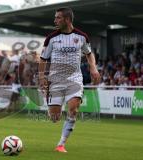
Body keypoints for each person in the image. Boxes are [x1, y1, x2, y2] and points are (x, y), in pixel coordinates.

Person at [38, 7, 100, 153]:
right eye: (55, 18)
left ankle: (61, 144)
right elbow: (43, 59)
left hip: (74, 78)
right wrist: (42, 77)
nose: (55, 20)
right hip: (56, 80)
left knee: (73, 108)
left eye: (58, 18)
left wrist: (93, 68)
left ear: (67, 19)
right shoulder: (51, 38)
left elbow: (89, 54)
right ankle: (54, 105)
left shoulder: (82, 37)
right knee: (54, 118)